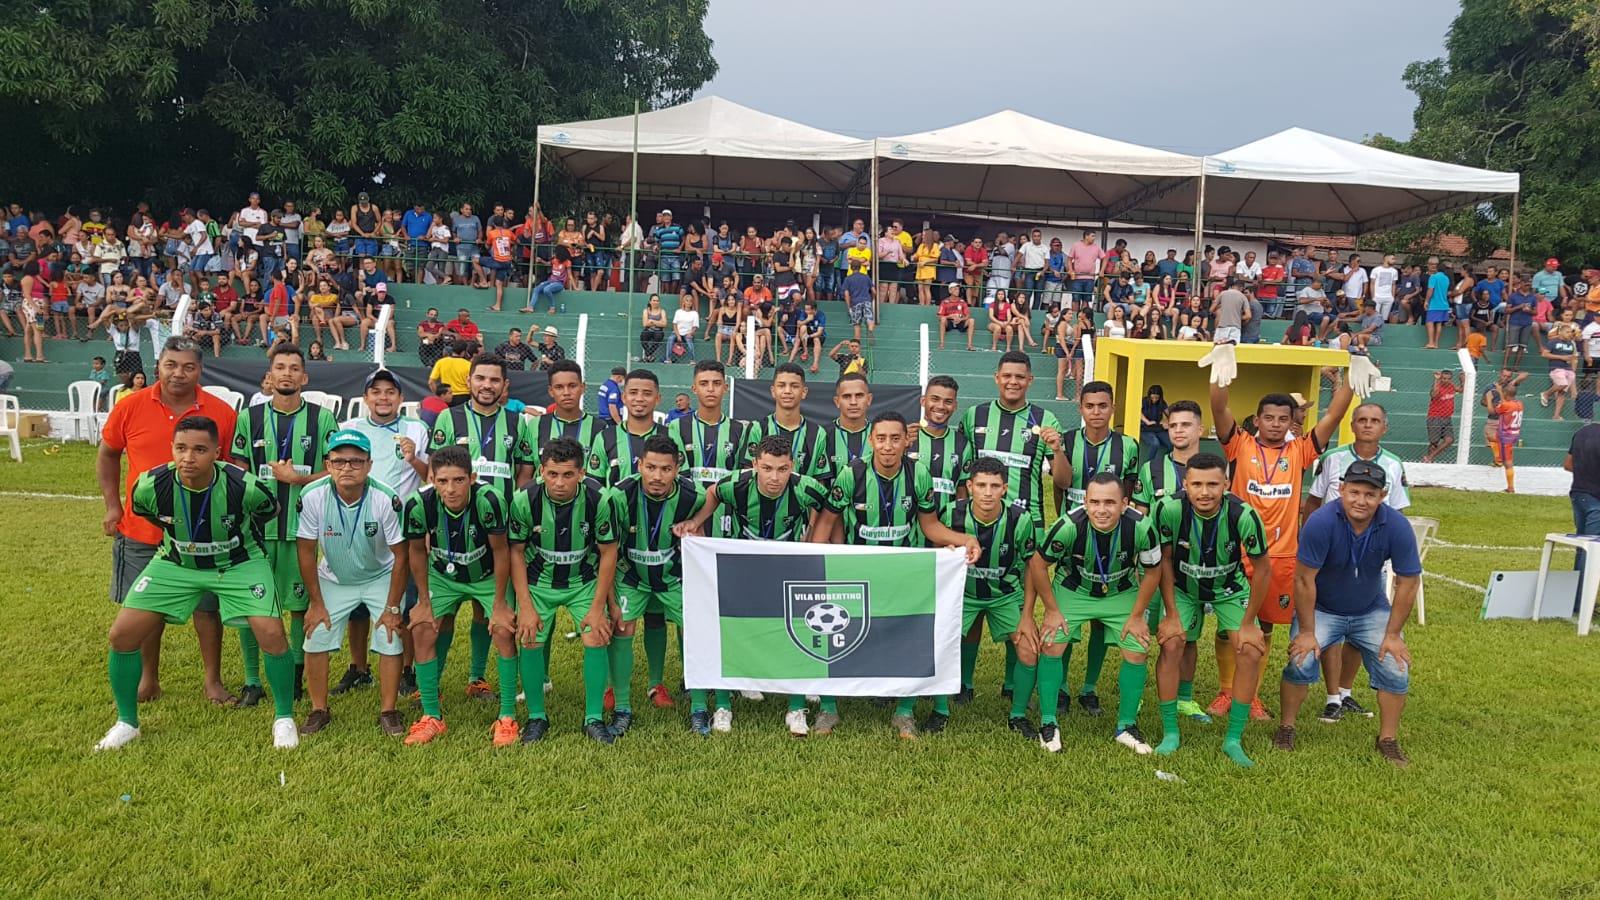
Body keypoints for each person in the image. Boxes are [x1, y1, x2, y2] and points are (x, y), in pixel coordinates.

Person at [94, 416, 300, 751]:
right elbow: (149, 514)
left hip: (239, 563)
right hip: (176, 563)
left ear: (217, 452)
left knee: (272, 633)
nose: (189, 457)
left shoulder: (244, 486)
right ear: (172, 449)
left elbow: (268, 510)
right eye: (181, 448)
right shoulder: (149, 485)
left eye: (200, 450)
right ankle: (127, 722)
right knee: (121, 635)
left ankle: (284, 718)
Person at [811, 411, 979, 740]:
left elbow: (930, 526)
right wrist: (820, 562)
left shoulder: (919, 474)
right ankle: (828, 707)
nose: (888, 446)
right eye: (882, 438)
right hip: (858, 568)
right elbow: (826, 525)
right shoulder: (851, 474)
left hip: (905, 568)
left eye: (895, 439)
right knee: (837, 631)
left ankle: (904, 712)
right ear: (872, 441)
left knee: (909, 636)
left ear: (906, 441)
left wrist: (965, 540)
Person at [1207, 361, 1356, 721]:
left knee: (1266, 625)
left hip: (1282, 555)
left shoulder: (1300, 451)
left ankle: (1251, 695)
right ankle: (1226, 690)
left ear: (1292, 422)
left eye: (1282, 419)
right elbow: (1218, 407)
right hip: (1237, 553)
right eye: (1268, 417)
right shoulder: (1239, 445)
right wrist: (1219, 372)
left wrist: (1352, 379)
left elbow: (1335, 415)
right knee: (1232, 625)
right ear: (1256, 420)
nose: (1275, 424)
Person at [97, 338, 240, 707]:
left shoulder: (222, 412)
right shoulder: (130, 407)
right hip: (143, 531)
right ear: (157, 365)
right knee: (146, 609)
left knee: (207, 609)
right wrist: (114, 506)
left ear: (200, 370)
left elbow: (233, 470)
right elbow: (109, 454)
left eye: (188, 366)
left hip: (202, 532)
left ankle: (212, 681)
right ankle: (149, 678)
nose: (179, 373)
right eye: (171, 364)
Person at [679, 435, 831, 735]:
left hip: (788, 567)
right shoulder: (737, 484)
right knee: (733, 630)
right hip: (743, 566)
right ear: (755, 465)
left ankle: (795, 707)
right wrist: (696, 522)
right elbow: (713, 493)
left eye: (783, 469)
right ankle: (724, 704)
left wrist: (814, 539)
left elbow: (828, 509)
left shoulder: (805, 487)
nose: (775, 477)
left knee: (794, 631)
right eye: (768, 468)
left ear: (792, 467)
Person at [1277, 461, 1421, 766]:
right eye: (1354, 492)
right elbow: (1304, 579)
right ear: (1341, 489)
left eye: (1370, 494)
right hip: (1322, 608)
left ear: (1382, 495)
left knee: (1397, 667)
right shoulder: (1321, 522)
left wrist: (1393, 635)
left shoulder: (1395, 525)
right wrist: (1306, 631)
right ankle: (1286, 727)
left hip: (1370, 609)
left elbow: (1409, 582)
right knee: (1299, 662)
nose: (1361, 500)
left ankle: (1388, 739)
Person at [1028, 473, 1165, 754]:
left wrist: (1137, 615)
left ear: (1125, 504)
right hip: (1074, 588)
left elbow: (1153, 571)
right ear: (1085, 502)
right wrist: (1052, 611)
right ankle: (1048, 722)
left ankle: (1126, 726)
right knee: (1052, 642)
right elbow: (1038, 565)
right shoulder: (1068, 525)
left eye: (1110, 503)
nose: (1101, 510)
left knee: (1138, 648)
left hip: (1119, 590)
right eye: (1095, 502)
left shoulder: (1142, 527)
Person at [1149, 453, 1272, 765]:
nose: (1205, 492)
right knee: (1173, 643)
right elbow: (1162, 560)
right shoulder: (1168, 508)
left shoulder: (1243, 514)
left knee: (1249, 650)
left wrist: (1247, 623)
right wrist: (1172, 615)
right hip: (1183, 587)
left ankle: (1233, 739)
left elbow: (1263, 570)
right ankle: (1170, 731)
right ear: (1185, 484)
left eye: (1213, 485)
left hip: (1229, 588)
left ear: (1226, 485)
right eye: (1197, 484)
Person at [426, 354, 536, 698]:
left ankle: (477, 677)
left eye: (494, 380)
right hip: (453, 525)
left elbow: (526, 469)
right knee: (443, 613)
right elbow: (436, 470)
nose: (487, 385)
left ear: (505, 385)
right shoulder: (448, 417)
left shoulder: (518, 423)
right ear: (469, 381)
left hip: (499, 528)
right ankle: (433, 682)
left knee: (487, 606)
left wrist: (514, 502)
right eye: (481, 379)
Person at [294, 429, 410, 736]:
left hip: (380, 575)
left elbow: (402, 555)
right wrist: (316, 603)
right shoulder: (312, 495)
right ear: (328, 464)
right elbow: (305, 551)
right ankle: (319, 709)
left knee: (389, 634)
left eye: (356, 461)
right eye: (340, 460)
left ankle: (388, 710)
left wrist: (392, 606)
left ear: (370, 465)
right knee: (316, 635)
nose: (347, 467)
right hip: (334, 577)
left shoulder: (386, 498)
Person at [398, 446, 512, 745]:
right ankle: (432, 715)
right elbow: (417, 551)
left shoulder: (490, 500)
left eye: (459, 480)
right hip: (443, 576)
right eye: (443, 481)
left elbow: (502, 552)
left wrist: (499, 604)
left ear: (472, 478)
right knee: (422, 628)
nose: (451, 489)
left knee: (503, 629)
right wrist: (423, 601)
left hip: (485, 576)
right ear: (432, 479)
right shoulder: (418, 504)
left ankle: (507, 716)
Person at [607, 435, 713, 732]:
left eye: (665, 469)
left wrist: (695, 528)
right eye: (651, 467)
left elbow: (705, 524)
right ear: (639, 465)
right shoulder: (619, 496)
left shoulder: (693, 496)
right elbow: (609, 547)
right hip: (631, 576)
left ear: (676, 469)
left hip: (673, 577)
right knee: (623, 627)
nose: (657, 476)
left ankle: (700, 708)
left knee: (696, 630)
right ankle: (623, 708)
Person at [1055, 381, 1141, 714]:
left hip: (1112, 536)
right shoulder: (1067, 440)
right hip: (1076, 538)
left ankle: (1089, 688)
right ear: (1080, 408)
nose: (1095, 412)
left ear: (1112, 408)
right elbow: (1060, 488)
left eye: (1102, 406)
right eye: (1089, 406)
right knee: (1066, 619)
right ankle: (1060, 687)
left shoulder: (1128, 446)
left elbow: (1129, 493)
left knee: (1102, 620)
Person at [943, 457, 1037, 736]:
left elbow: (1033, 566)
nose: (987, 492)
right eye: (981, 485)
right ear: (969, 486)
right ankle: (941, 709)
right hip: (963, 594)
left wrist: (1029, 615)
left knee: (1029, 649)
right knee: (939, 644)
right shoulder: (951, 514)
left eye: (994, 486)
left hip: (1004, 595)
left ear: (1005, 488)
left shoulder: (1020, 519)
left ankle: (1018, 714)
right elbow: (935, 546)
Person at [741, 363, 831, 481]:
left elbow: (820, 483)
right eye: (781, 385)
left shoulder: (818, 433)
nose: (787, 391)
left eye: (794, 386)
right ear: (773, 391)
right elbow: (749, 476)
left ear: (804, 392)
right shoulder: (757, 429)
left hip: (802, 500)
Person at [907, 375, 970, 518]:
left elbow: (961, 491)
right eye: (935, 399)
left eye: (948, 401)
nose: (941, 406)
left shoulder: (963, 444)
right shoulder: (907, 437)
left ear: (955, 406)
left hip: (945, 529)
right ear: (923, 401)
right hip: (908, 529)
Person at [1482, 369, 1528, 467]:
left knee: (1500, 440)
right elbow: (1483, 402)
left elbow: (1525, 374)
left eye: (1508, 376)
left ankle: (1499, 461)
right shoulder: (1490, 387)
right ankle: (1500, 459)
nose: (1505, 378)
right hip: (1493, 418)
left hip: (1504, 420)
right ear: (1500, 374)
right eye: (1504, 376)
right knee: (1490, 439)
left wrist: (1515, 379)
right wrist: (1492, 404)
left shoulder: (1510, 386)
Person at [1420, 371, 1464, 463]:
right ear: (1441, 378)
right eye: (1444, 378)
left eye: (1448, 379)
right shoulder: (1437, 386)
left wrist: (1462, 379)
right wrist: (1436, 379)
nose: (1446, 381)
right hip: (1435, 417)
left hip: (1447, 418)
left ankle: (1429, 457)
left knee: (1449, 440)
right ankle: (1429, 461)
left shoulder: (1451, 386)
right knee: (1434, 443)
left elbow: (1461, 390)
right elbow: (1434, 394)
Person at [1496, 381, 1526, 493]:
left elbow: (1498, 409)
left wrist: (1499, 392)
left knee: (1507, 463)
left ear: (1505, 394)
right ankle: (1498, 458)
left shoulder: (1505, 405)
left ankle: (1510, 487)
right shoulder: (1519, 403)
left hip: (1506, 435)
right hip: (1514, 433)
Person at [1422, 257, 1452, 349]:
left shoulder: (1433, 277)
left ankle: (1431, 342)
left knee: (1430, 322)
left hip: (1434, 304)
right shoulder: (1446, 278)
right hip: (1444, 304)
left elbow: (1430, 289)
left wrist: (1426, 301)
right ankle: (1436, 343)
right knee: (1438, 324)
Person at [937, 284, 973, 350]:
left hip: (960, 322)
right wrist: (949, 316)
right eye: (955, 289)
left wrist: (961, 319)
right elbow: (939, 316)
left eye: (958, 289)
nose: (957, 291)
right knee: (943, 319)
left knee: (971, 320)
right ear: (950, 291)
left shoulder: (962, 301)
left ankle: (969, 345)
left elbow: (968, 315)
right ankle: (941, 344)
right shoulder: (945, 302)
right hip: (949, 322)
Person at [1139, 386, 1170, 462]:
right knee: (1155, 443)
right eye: (1152, 398)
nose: (1154, 400)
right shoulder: (1144, 401)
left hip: (1158, 428)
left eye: (1156, 398)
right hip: (1145, 429)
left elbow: (1170, 414)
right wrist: (1147, 422)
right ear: (1149, 395)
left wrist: (1167, 422)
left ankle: (1165, 462)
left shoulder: (1162, 403)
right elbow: (1138, 412)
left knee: (1172, 444)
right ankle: (1149, 464)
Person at [667, 293, 699, 363]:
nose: (689, 302)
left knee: (689, 343)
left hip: (688, 333)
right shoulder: (678, 312)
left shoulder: (694, 313)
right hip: (677, 332)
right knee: (670, 339)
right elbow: (674, 324)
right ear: (683, 302)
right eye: (687, 300)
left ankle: (692, 360)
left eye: (690, 301)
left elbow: (695, 326)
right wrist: (678, 335)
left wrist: (690, 333)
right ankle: (668, 359)